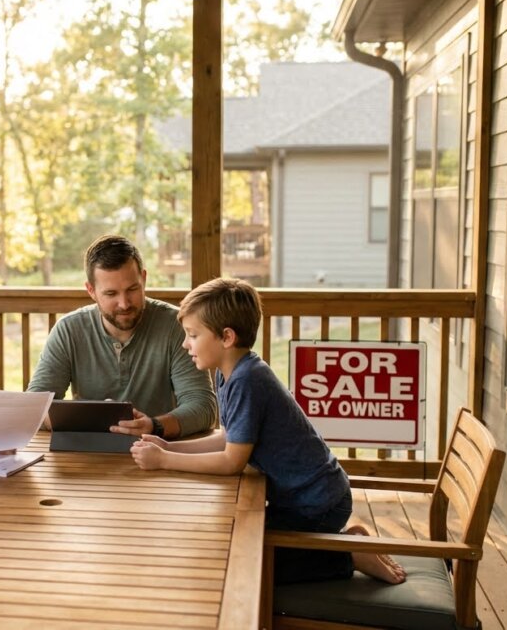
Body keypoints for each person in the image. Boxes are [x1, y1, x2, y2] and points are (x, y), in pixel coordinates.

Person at [130, 277, 406, 585]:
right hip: (302, 498)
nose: (185, 344)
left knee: (252, 564)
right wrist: (167, 447)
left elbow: (231, 462)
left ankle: (350, 556)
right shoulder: (228, 374)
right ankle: (350, 541)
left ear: (226, 337)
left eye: (193, 335)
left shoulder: (248, 380)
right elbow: (229, 438)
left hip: (315, 504)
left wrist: (164, 461)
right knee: (231, 541)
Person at [27, 234, 217, 440]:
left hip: (159, 451)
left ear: (143, 279)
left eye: (132, 289)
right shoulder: (68, 330)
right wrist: (90, 419)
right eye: (111, 294)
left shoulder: (176, 326)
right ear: (91, 290)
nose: (124, 303)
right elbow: (33, 407)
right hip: (86, 454)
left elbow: (202, 406)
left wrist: (154, 426)